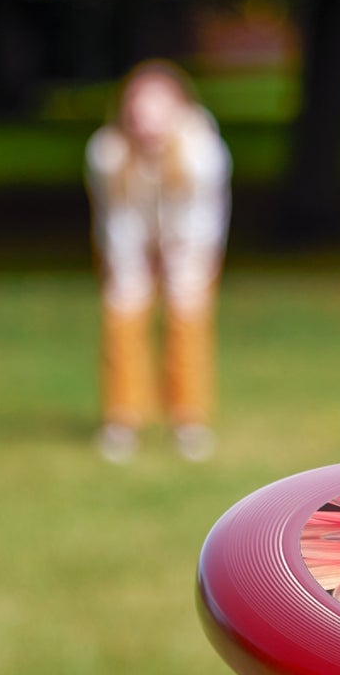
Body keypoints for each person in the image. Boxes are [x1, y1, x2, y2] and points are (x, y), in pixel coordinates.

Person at [85, 60, 232, 462]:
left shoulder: (202, 152)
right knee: (122, 315)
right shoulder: (107, 152)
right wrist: (132, 268)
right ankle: (122, 419)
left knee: (187, 320)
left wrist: (178, 262)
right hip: (129, 243)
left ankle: (189, 420)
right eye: (138, 109)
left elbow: (202, 219)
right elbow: (116, 219)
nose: (146, 120)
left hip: (190, 245)